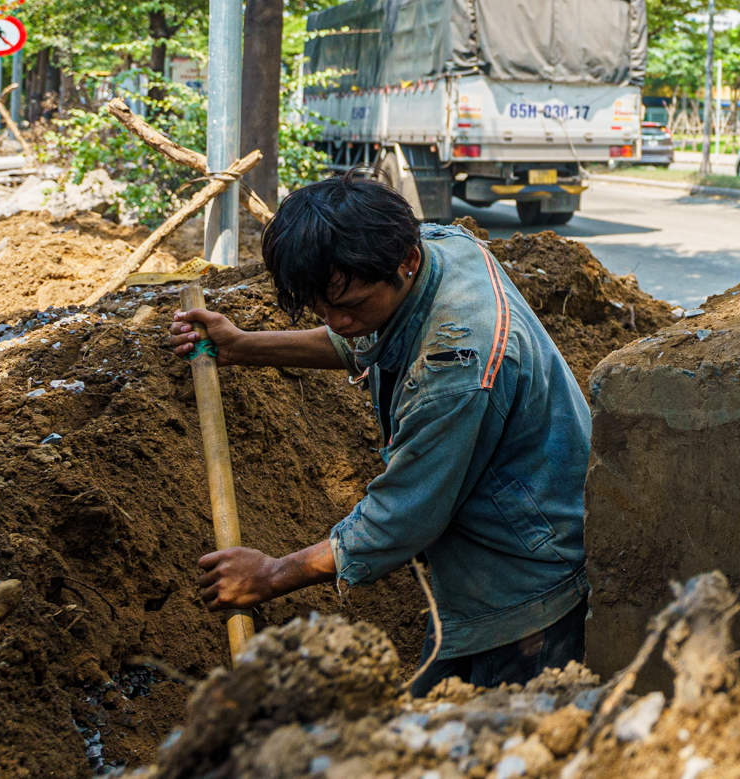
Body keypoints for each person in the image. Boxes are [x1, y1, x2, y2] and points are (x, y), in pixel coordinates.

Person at [169, 175, 592, 691]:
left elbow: (401, 518)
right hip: (489, 548)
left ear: (405, 263)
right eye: (321, 307)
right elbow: (369, 334)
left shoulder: (456, 370)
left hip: (526, 583)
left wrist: (271, 575)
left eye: (349, 305)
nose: (337, 321)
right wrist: (242, 346)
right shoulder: (437, 249)